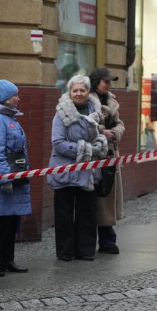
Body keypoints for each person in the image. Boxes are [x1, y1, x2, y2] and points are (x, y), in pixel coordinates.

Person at [47, 75, 108, 261]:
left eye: (82, 90)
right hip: (65, 170)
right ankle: (65, 252)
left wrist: (100, 143)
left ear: (88, 92)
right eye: (75, 90)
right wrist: (85, 150)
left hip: (88, 171)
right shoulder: (61, 112)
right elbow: (58, 142)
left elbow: (98, 135)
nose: (79, 93)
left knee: (87, 212)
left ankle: (86, 250)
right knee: (64, 213)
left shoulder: (95, 112)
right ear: (70, 92)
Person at [0, 80, 32, 278]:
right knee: (3, 221)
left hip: (14, 178)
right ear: (4, 98)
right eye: (14, 95)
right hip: (4, 180)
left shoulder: (9, 118)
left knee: (12, 220)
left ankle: (6, 259)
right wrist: (4, 179)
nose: (18, 98)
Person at [88, 67, 125, 254]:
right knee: (99, 198)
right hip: (96, 155)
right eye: (106, 81)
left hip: (111, 154)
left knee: (108, 195)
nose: (109, 84)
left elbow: (120, 124)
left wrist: (115, 132)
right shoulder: (88, 99)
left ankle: (108, 239)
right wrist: (104, 131)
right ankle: (99, 240)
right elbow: (86, 124)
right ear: (96, 82)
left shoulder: (111, 100)